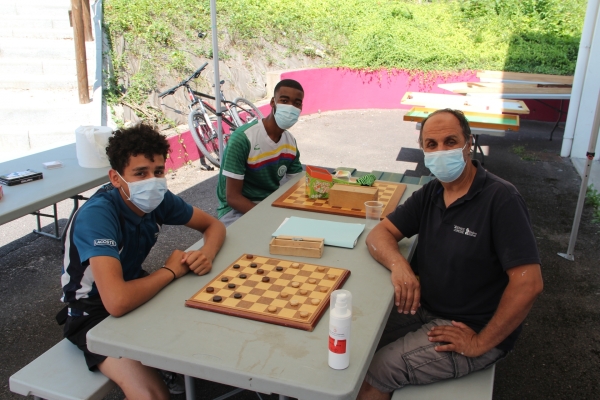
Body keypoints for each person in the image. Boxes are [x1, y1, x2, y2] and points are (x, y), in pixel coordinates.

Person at [357, 109, 544, 399]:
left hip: (471, 326)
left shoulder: (501, 199)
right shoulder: (432, 192)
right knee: (358, 336)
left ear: (469, 143)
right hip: (426, 307)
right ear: (423, 150)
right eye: (431, 145)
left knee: (381, 369)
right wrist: (400, 266)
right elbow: (379, 234)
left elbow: (529, 283)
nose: (441, 151)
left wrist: (481, 342)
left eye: (450, 141)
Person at [59, 124, 226, 399]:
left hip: (135, 285)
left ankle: (166, 365)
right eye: (140, 173)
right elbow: (116, 302)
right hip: (92, 313)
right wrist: (171, 271)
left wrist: (206, 254)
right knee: (152, 395)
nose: (153, 181)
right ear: (115, 178)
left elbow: (214, 226)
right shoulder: (97, 216)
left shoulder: (157, 199)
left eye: (158, 172)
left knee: (210, 321)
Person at [216, 79, 305, 227]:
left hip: (270, 204)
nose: (290, 107)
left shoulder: (290, 142)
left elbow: (298, 185)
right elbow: (232, 198)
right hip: (235, 211)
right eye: (284, 100)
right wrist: (269, 217)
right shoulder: (243, 139)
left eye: (297, 103)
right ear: (272, 102)